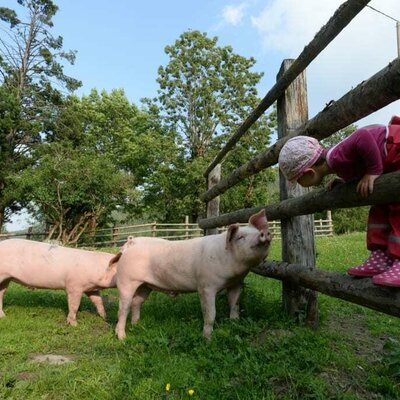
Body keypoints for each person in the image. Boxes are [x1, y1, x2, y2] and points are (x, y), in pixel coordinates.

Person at [278, 116, 400, 287]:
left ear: (309, 173)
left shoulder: (336, 157)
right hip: (390, 158)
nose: (300, 185)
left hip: (396, 149)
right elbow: (356, 161)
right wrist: (346, 180)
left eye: (298, 180)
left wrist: (373, 171)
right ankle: (381, 256)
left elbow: (363, 136)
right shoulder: (337, 163)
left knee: (397, 209)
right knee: (379, 210)